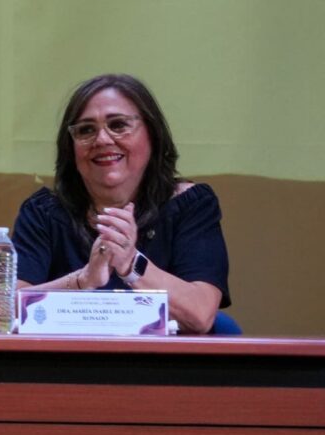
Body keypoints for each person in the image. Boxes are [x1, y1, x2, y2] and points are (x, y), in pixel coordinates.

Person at [12, 73, 229, 334]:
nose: (102, 140)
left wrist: (130, 264)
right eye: (86, 130)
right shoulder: (43, 212)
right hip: (67, 358)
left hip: (165, 359)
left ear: (152, 135)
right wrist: (82, 280)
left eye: (118, 125)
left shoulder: (191, 205)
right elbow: (4, 312)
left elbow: (201, 315)